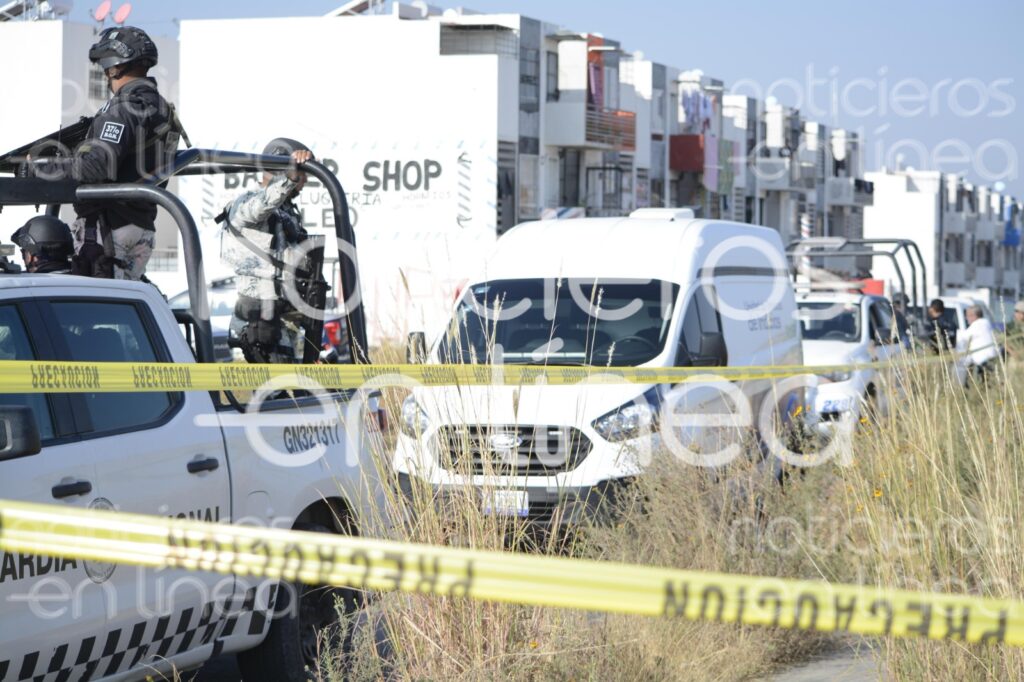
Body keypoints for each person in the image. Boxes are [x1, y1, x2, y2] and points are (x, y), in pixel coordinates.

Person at [30, 26, 186, 281]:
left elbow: (96, 167)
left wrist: (41, 167)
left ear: (114, 67)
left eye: (105, 69)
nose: (105, 75)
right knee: (124, 302)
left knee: (92, 306)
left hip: (110, 228)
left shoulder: (123, 110)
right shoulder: (162, 110)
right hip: (141, 225)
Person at [218, 139, 328, 364]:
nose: (304, 182)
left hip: (284, 317)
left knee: (295, 393)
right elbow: (261, 206)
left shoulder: (288, 212)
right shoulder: (248, 203)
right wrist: (290, 178)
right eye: (303, 175)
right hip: (259, 319)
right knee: (277, 393)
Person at [958, 304, 1000, 382]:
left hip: (983, 362)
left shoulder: (977, 325)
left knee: (982, 386)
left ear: (974, 316)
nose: (966, 318)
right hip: (992, 359)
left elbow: (962, 339)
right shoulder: (986, 323)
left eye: (967, 316)